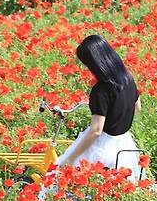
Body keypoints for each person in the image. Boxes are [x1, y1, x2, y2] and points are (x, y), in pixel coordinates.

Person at [55, 34, 142, 180]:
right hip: (124, 144)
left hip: (104, 148)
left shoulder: (101, 90)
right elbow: (137, 107)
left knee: (60, 176)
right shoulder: (128, 78)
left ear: (94, 63)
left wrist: (71, 158)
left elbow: (96, 130)